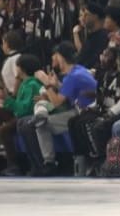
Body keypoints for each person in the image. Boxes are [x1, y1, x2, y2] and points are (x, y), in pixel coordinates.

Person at [17, 42, 97, 176]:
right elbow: (68, 93)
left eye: (56, 55)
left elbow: (57, 102)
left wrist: (46, 83)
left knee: (41, 123)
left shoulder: (73, 76)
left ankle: (48, 163)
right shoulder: (77, 70)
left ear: (61, 57)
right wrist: (56, 85)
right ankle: (46, 163)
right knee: (37, 121)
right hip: (80, 110)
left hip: (82, 114)